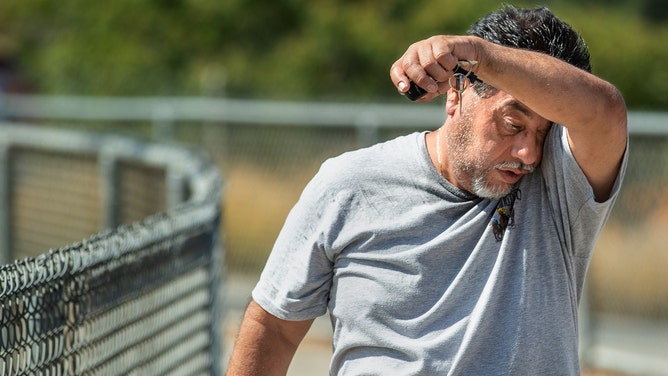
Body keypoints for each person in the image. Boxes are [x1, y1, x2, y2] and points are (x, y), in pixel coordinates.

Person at [227, 5, 628, 375]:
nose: (529, 152)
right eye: (512, 123)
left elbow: (604, 112)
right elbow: (274, 327)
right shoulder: (348, 185)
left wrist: (480, 55)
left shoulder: (560, 189)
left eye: (545, 132)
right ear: (455, 93)